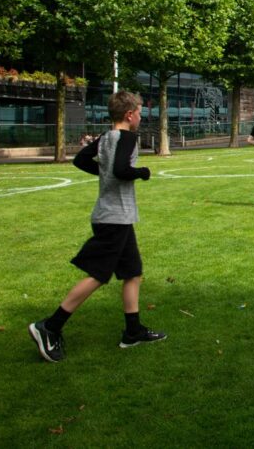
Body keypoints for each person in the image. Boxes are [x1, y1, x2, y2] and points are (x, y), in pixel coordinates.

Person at [28, 91, 164, 363]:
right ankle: (50, 326)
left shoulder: (105, 138)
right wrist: (143, 172)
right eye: (138, 112)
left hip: (116, 217)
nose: (140, 116)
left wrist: (105, 172)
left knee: (132, 271)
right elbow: (122, 171)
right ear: (129, 115)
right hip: (114, 218)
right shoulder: (126, 137)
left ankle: (133, 331)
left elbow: (81, 160)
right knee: (99, 275)